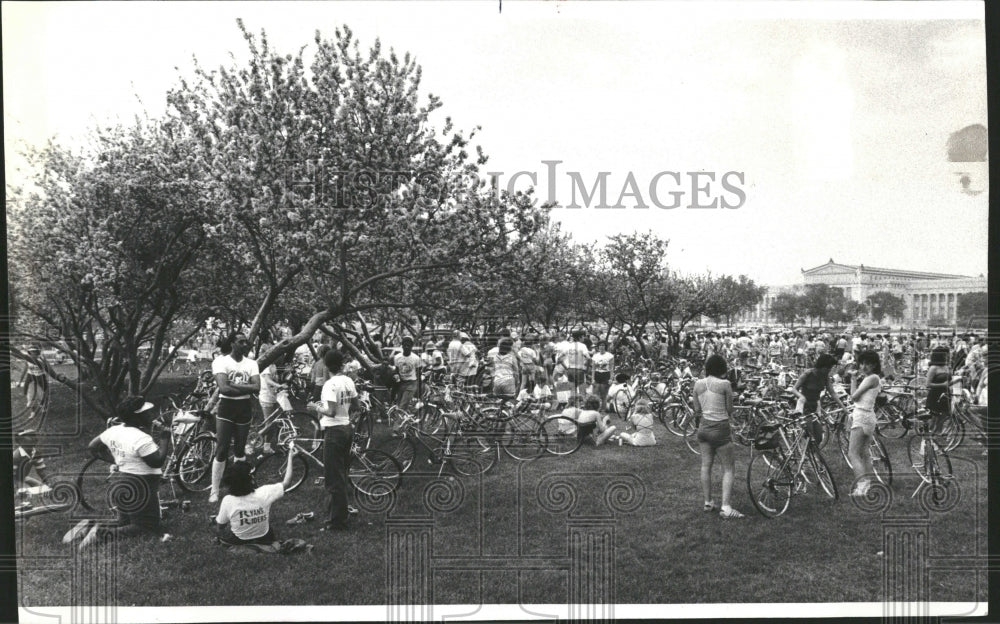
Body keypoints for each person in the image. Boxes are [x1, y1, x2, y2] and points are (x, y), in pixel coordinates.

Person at [69, 396, 174, 548]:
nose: (151, 417)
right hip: (141, 485)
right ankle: (100, 534)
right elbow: (157, 462)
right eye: (147, 413)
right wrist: (165, 440)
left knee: (123, 521)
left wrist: (117, 460)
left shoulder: (114, 430)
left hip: (120, 481)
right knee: (146, 527)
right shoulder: (141, 438)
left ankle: (91, 525)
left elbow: (92, 446)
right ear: (137, 416)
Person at [213, 446, 299, 549]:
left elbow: (220, 527)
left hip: (239, 540)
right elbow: (287, 482)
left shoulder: (228, 500)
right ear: (251, 480)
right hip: (266, 538)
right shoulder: (265, 492)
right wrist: (290, 457)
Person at [692, 354, 745, 519]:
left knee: (705, 466)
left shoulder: (698, 384)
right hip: (720, 428)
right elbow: (729, 410)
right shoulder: (725, 384)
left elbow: (697, 410)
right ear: (722, 368)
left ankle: (708, 502)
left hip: (703, 428)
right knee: (728, 468)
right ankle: (726, 507)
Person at [209, 333, 261, 503]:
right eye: (241, 341)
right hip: (226, 407)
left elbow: (257, 387)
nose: (245, 344)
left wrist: (234, 385)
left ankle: (240, 487)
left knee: (240, 449)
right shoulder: (221, 361)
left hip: (244, 408)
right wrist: (246, 387)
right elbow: (223, 389)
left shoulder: (252, 363)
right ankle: (215, 490)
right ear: (232, 344)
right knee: (222, 449)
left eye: (246, 341)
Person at [316, 350, 359, 531]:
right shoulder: (348, 381)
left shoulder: (329, 384)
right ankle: (337, 513)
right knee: (341, 472)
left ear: (326, 365)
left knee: (333, 477)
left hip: (334, 430)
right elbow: (356, 406)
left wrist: (315, 406)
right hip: (346, 428)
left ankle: (337, 522)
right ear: (341, 364)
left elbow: (331, 411)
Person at [847, 351, 882, 497]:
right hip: (868, 416)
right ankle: (866, 484)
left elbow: (853, 397)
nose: (864, 366)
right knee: (864, 453)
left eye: (868, 363)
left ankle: (862, 486)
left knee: (853, 453)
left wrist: (853, 379)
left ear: (874, 364)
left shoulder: (872, 378)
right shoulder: (873, 378)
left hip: (862, 416)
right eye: (862, 363)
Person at [17, 346, 49, 429]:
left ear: (37, 352)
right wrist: (20, 382)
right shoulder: (28, 360)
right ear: (29, 353)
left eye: (35, 352)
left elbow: (46, 369)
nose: (33, 353)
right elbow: (24, 370)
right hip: (30, 376)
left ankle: (43, 407)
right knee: (29, 394)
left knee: (42, 393)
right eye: (31, 352)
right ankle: (33, 411)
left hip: (40, 376)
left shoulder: (41, 359)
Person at [924, 346, 953, 434]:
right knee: (934, 416)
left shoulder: (946, 366)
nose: (947, 356)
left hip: (945, 394)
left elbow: (949, 381)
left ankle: (938, 431)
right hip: (935, 394)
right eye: (945, 355)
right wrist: (942, 384)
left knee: (945, 414)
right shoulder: (933, 368)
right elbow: (928, 384)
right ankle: (929, 432)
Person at [559, 330, 591, 401]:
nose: (584, 338)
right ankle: (582, 405)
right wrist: (586, 368)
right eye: (583, 337)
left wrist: (566, 368)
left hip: (570, 369)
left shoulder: (568, 346)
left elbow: (559, 359)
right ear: (580, 337)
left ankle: (573, 406)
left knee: (573, 391)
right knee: (582, 391)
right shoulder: (582, 346)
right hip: (580, 369)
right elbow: (588, 358)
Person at [393, 337, 422, 411]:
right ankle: (405, 419)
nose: (406, 347)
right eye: (405, 345)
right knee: (398, 404)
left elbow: (419, 373)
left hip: (411, 383)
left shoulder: (416, 358)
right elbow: (396, 371)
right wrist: (396, 378)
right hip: (401, 383)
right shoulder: (397, 357)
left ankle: (399, 422)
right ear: (402, 346)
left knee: (402, 406)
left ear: (411, 347)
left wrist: (419, 388)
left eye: (408, 346)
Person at [591, 341, 614, 412]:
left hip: (605, 374)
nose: (601, 347)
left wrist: (611, 378)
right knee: (595, 393)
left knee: (604, 394)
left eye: (603, 345)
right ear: (598, 347)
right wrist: (592, 378)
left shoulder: (610, 356)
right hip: (597, 374)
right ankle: (595, 409)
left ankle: (603, 409)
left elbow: (611, 368)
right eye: (600, 345)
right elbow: (593, 368)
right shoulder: (595, 356)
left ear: (605, 347)